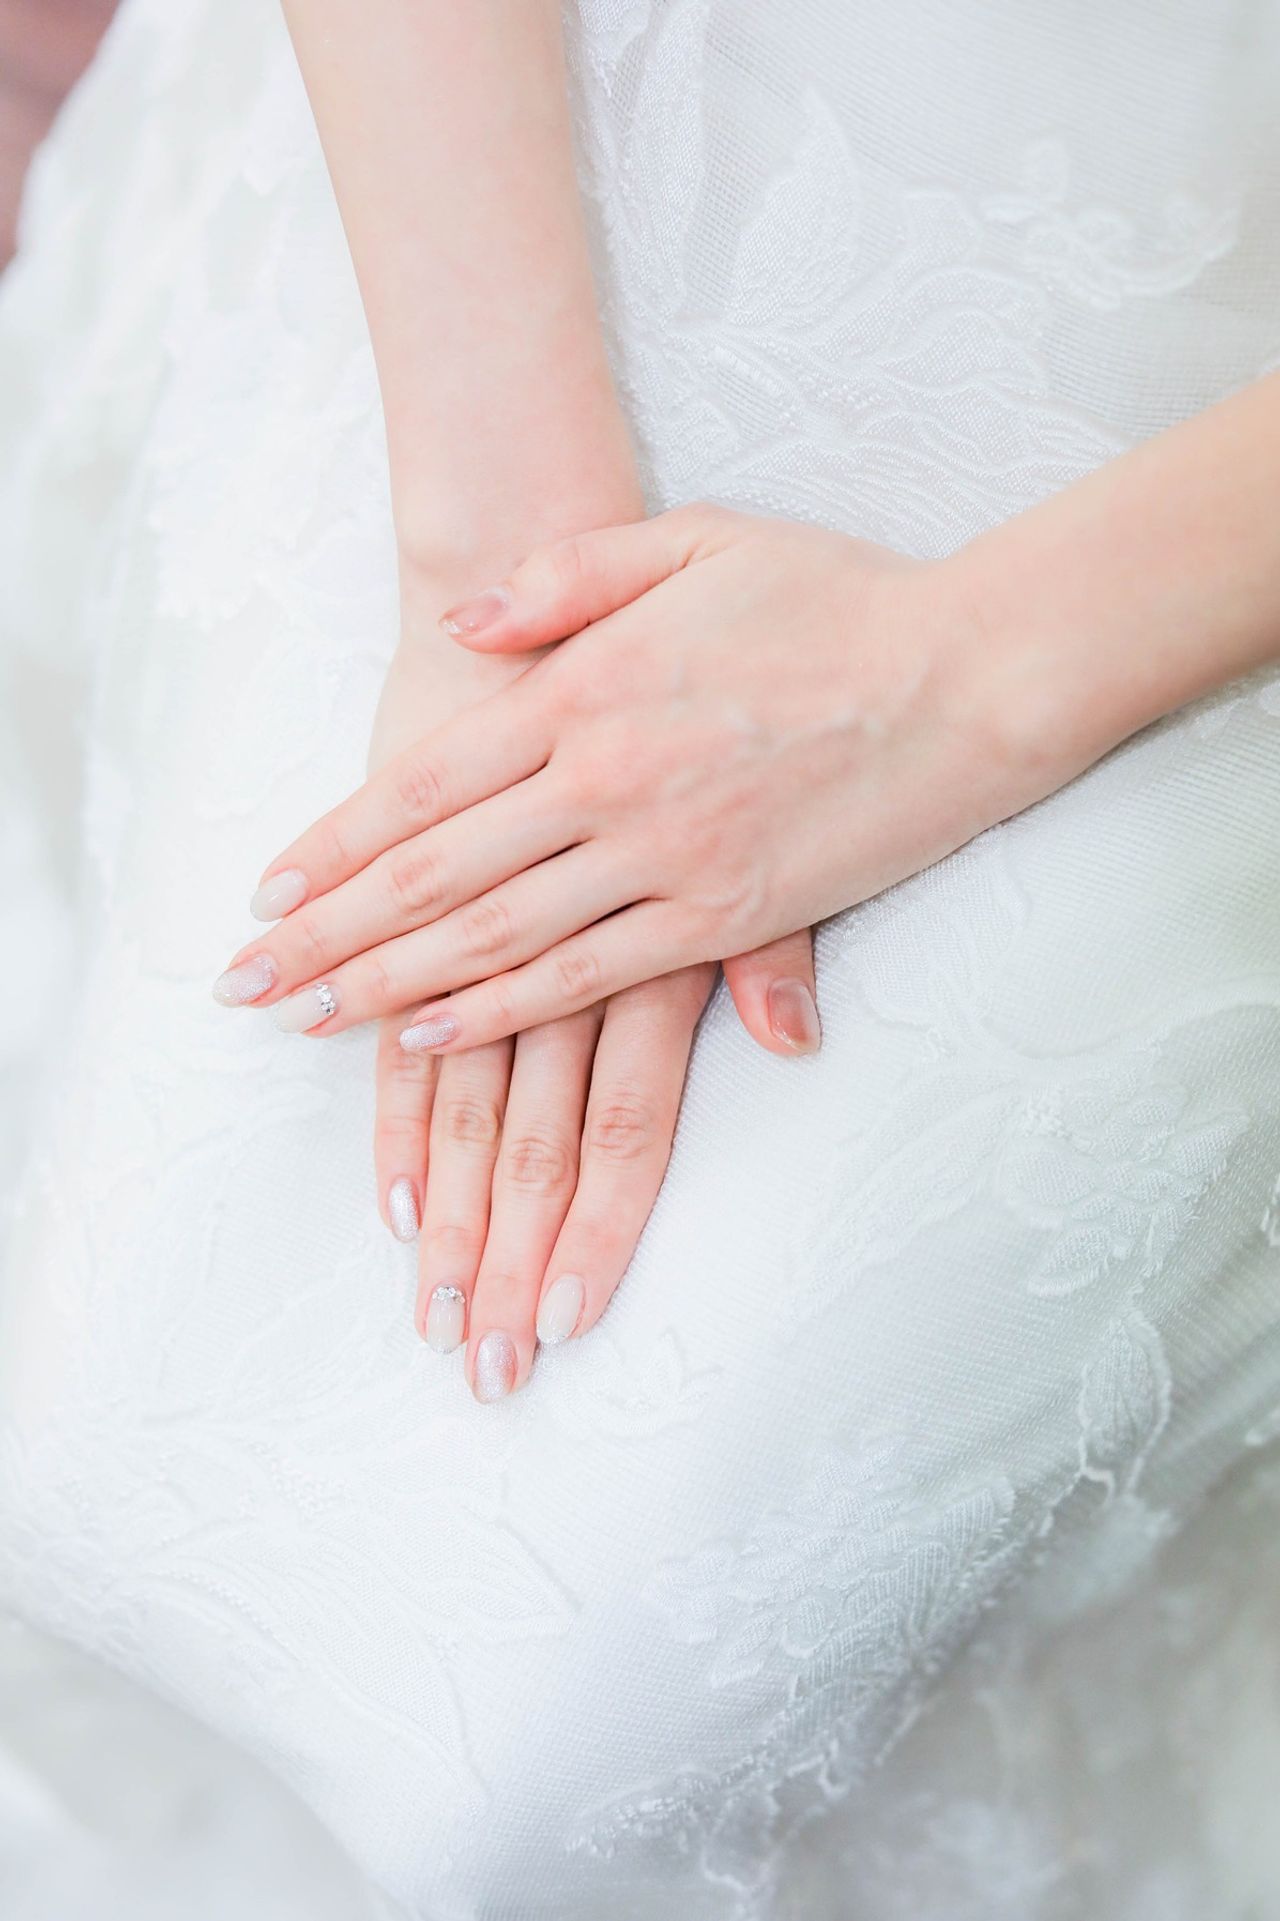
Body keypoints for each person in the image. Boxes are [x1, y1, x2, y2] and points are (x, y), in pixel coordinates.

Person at [1, 0, 1278, 1913]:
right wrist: (504, 582)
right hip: (477, 160)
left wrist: (969, 676)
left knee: (568, 1675)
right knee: (142, 1348)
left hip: (1201, 435)